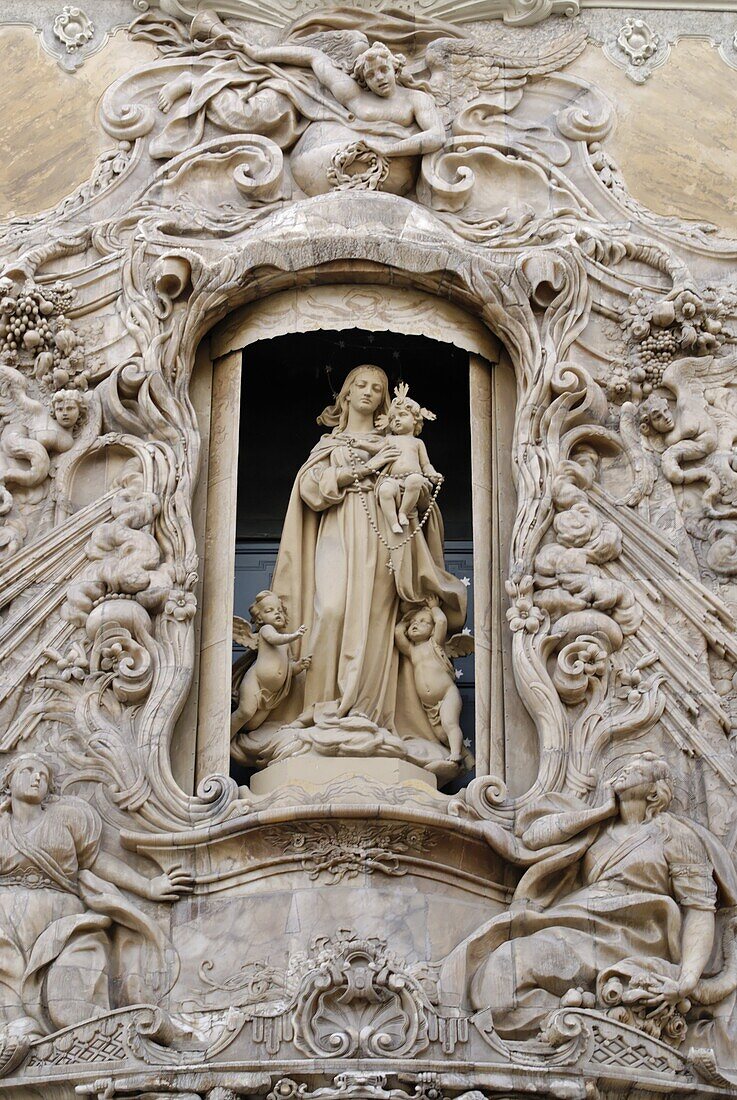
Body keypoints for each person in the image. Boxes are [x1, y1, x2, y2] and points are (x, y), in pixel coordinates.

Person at [233, 365, 465, 753]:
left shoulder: (396, 441)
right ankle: (318, 708)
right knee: (332, 611)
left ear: (385, 400)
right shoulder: (329, 444)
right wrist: (360, 469)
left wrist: (414, 489)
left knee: (375, 619)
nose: (368, 392)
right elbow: (310, 490)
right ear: (345, 393)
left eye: (378, 388)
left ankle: (365, 713)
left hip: (383, 539)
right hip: (337, 531)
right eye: (360, 384)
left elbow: (420, 494)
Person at [440, 753, 737, 1041]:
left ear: (654, 791)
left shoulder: (674, 834)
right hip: (576, 920)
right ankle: (570, 1014)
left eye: (636, 771)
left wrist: (687, 980)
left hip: (633, 934)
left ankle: (576, 1020)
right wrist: (601, 811)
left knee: (504, 975)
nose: (623, 772)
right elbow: (532, 837)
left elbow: (699, 908)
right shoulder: (599, 827)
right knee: (499, 974)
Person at [0, 753, 192, 1039]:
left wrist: (147, 886)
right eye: (28, 770)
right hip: (6, 915)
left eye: (43, 774)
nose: (37, 777)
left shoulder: (67, 817)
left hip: (62, 915)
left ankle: (95, 1032)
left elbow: (95, 861)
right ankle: (14, 1024)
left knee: (71, 987)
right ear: (8, 782)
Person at [376, 382, 441, 535]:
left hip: (412, 478)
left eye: (402, 415)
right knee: (384, 490)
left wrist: (433, 475)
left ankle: (403, 512)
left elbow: (425, 464)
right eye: (392, 418)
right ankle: (393, 522)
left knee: (416, 480)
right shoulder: (389, 440)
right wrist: (359, 443)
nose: (396, 420)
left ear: (415, 419)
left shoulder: (418, 443)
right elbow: (374, 449)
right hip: (392, 479)